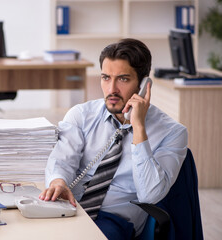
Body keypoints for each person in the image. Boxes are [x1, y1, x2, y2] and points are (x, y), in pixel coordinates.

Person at [39, 38, 188, 239]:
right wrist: (58, 182)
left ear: (144, 84)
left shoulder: (172, 133)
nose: (112, 90)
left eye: (123, 79)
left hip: (116, 220)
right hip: (70, 207)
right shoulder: (81, 115)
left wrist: (138, 128)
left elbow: (150, 195)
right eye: (106, 78)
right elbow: (63, 159)